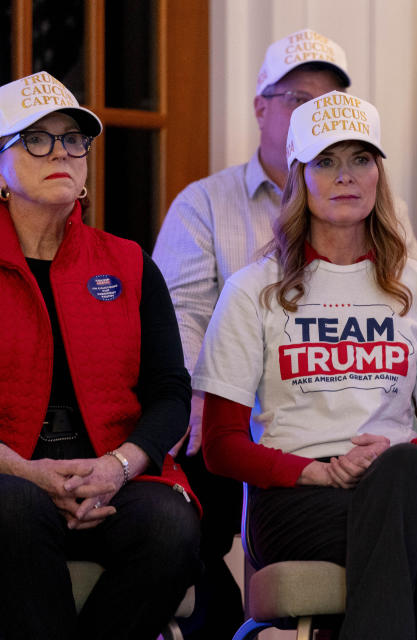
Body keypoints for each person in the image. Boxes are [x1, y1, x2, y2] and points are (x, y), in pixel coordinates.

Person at [151, 28, 417, 637]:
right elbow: (179, 315)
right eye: (300, 98)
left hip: (350, 404)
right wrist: (208, 390)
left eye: (328, 99)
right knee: (189, 477)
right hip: (236, 406)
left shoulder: (381, 206)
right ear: (261, 108)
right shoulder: (204, 203)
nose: (316, 112)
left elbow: (413, 313)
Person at [194, 91, 417, 640]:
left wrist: (404, 457)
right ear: (300, 178)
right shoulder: (254, 288)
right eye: (326, 161)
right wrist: (315, 471)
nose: (345, 176)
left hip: (402, 477)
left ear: (379, 174)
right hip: (296, 495)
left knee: (400, 470)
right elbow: (220, 444)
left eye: (360, 159)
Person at [0, 71, 201, 639]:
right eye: (36, 138)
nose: (60, 151)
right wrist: (27, 473)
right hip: (8, 477)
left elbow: (170, 391)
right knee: (12, 510)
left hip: (112, 477)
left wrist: (118, 466)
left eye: (73, 138)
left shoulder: (129, 262)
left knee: (171, 529)